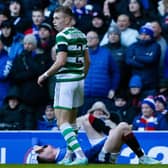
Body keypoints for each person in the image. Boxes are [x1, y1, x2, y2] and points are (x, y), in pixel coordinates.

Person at [37, 6, 90, 165]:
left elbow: (60, 62)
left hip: (65, 82)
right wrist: (81, 77)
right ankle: (69, 156)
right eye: (53, 18)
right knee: (72, 122)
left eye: (57, 18)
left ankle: (80, 156)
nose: (54, 21)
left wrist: (45, 75)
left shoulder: (62, 36)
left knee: (61, 122)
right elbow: (88, 61)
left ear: (67, 19)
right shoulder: (81, 35)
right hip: (79, 81)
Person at [28, 113, 161, 164]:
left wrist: (34, 147)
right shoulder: (63, 158)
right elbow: (89, 154)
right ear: (47, 160)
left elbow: (34, 139)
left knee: (87, 118)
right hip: (100, 156)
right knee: (123, 127)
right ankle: (142, 157)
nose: (44, 147)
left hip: (96, 148)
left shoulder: (59, 153)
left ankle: (111, 132)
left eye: (43, 147)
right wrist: (109, 137)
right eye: (42, 151)